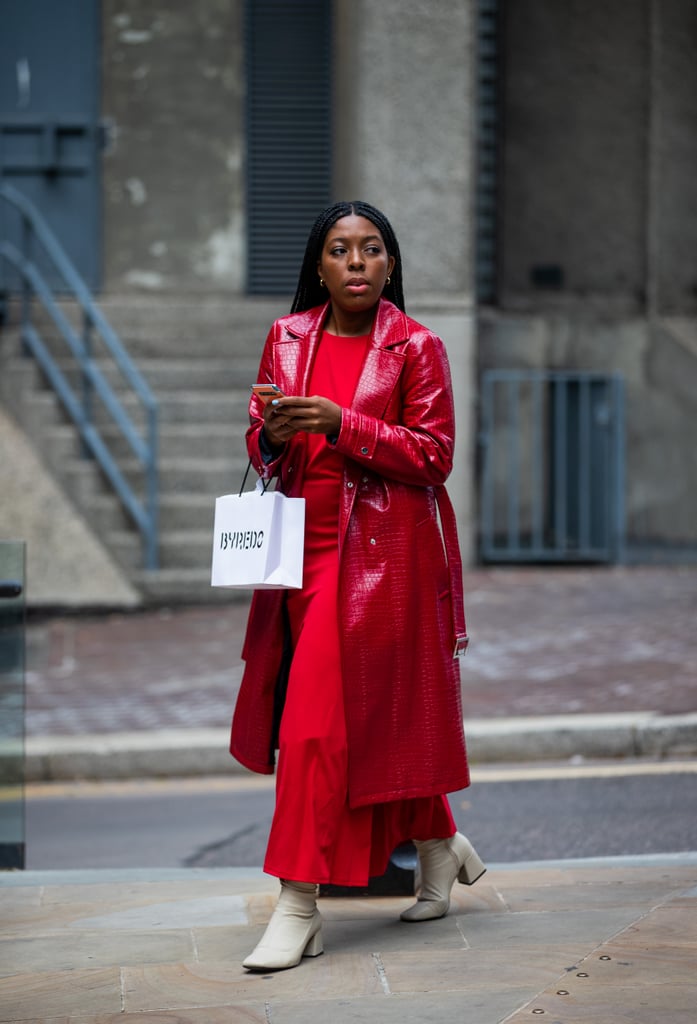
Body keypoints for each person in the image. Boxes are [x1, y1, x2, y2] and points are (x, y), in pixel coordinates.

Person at [230, 200, 485, 972]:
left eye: (370, 250)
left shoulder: (415, 346)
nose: (355, 263)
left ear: (390, 264)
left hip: (383, 560)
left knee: (312, 725)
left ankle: (297, 904)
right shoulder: (286, 338)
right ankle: (439, 847)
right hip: (298, 556)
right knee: (364, 722)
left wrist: (343, 423)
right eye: (340, 250)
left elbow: (432, 455)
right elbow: (260, 438)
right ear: (318, 266)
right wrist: (269, 432)